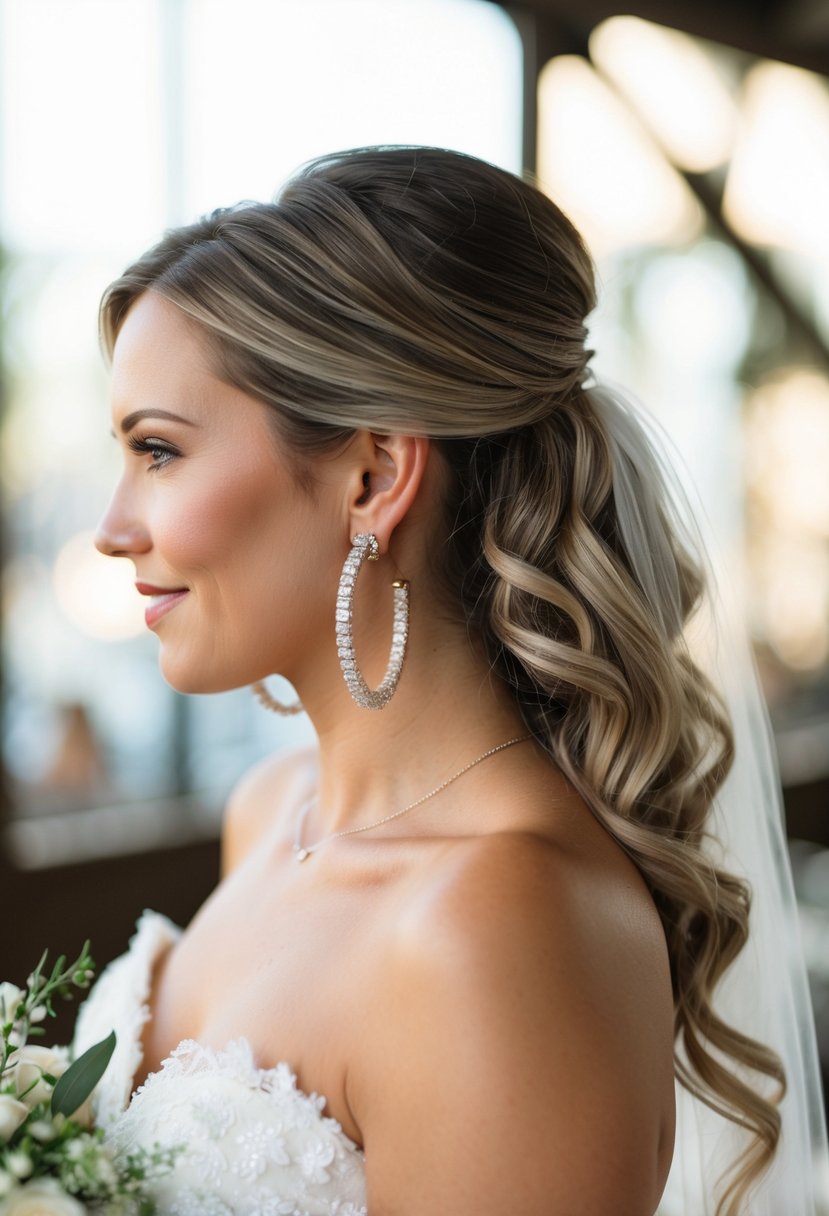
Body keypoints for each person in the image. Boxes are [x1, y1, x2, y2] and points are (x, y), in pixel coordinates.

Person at [77, 145, 825, 1216]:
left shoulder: (496, 927)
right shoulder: (270, 814)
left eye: (158, 451)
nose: (111, 529)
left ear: (374, 475)